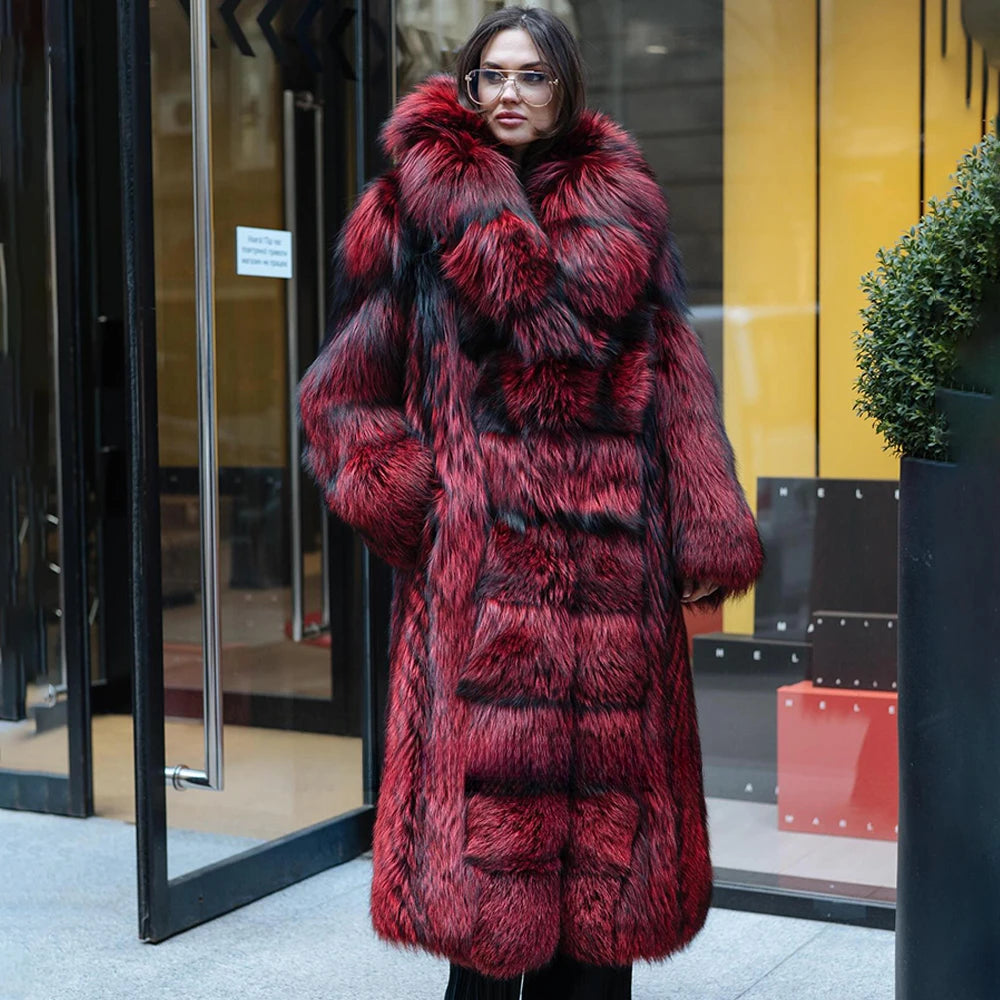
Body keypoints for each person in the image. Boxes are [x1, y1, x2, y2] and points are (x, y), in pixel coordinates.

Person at [298, 7, 764, 999]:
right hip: (482, 598)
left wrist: (704, 524)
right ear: (467, 89)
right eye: (491, 76)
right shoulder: (411, 214)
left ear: (565, 90)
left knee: (599, 925)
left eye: (532, 76)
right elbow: (339, 398)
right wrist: (426, 505)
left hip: (614, 591)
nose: (510, 93)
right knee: (485, 915)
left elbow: (679, 386)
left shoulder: (629, 213)